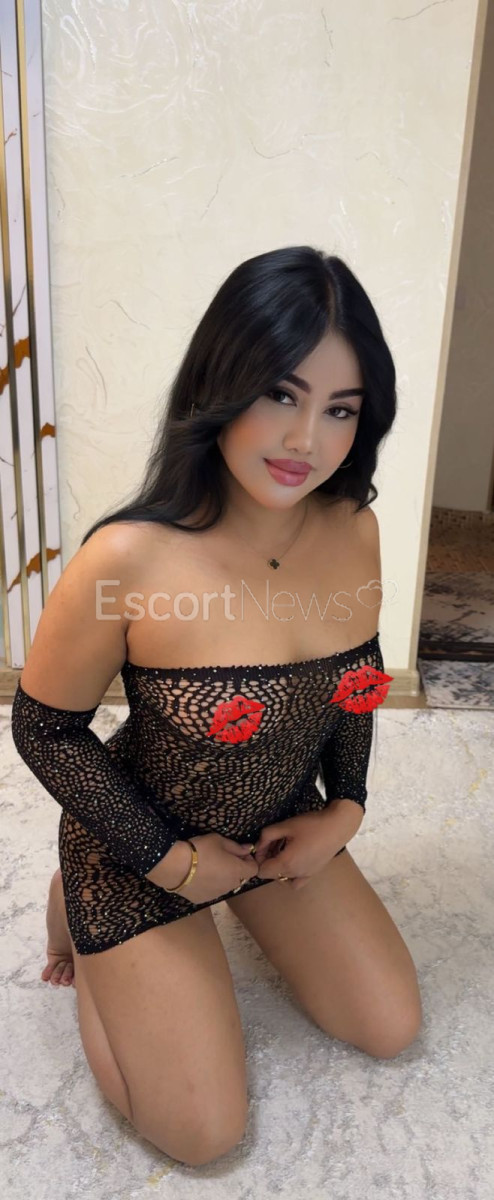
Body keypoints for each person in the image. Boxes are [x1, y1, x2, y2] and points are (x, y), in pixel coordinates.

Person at [10, 245, 422, 1166]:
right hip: (140, 836)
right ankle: (81, 903)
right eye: (281, 393)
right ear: (220, 383)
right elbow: (44, 727)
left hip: (275, 823)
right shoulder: (125, 559)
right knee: (201, 1134)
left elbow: (354, 685)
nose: (305, 440)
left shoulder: (353, 529)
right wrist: (165, 860)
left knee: (390, 1023)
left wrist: (346, 810)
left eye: (341, 408)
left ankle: (217, 910)